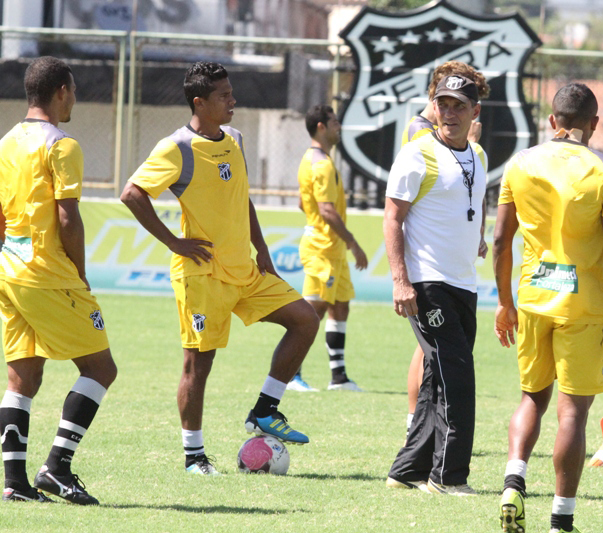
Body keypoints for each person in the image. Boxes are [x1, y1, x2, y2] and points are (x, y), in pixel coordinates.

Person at [120, 62, 319, 475]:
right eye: (224, 95)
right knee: (199, 365)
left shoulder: (235, 139)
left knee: (305, 320)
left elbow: (241, 196)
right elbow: (132, 194)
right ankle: (194, 457)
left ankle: (266, 408)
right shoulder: (176, 148)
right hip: (202, 276)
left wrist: (261, 249)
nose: (233, 101)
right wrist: (174, 242)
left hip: (245, 270)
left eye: (231, 92)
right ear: (200, 102)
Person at [493, 83, 603, 533]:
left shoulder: (519, 165)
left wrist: (503, 304)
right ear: (594, 124)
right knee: (573, 412)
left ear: (552, 121)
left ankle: (513, 479)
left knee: (532, 398)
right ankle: (561, 519)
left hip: (533, 298)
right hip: (584, 306)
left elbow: (500, 239)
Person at [0, 56, 117, 504]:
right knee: (100, 368)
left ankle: (14, 484)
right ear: (61, 91)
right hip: (48, 273)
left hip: (10, 269)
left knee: (23, 378)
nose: (75, 99)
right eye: (74, 90)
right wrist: (80, 274)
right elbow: (68, 218)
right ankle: (57, 467)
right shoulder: (62, 144)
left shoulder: (8, 141)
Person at [384, 72, 488, 496]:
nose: (449, 112)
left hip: (465, 282)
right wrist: (400, 281)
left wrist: (478, 235)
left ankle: (407, 469)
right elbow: (393, 217)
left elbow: (474, 198)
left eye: (459, 105)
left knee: (437, 378)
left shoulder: (478, 154)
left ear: (474, 112)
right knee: (458, 374)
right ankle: (447, 478)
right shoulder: (417, 153)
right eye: (442, 103)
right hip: (428, 282)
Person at [290, 104, 368, 392]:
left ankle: (338, 377)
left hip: (330, 249)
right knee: (312, 313)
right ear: (321, 127)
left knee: (340, 306)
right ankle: (290, 375)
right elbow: (326, 210)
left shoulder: (315, 160)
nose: (339, 127)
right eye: (335, 122)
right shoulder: (321, 164)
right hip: (323, 249)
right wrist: (353, 242)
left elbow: (303, 203)